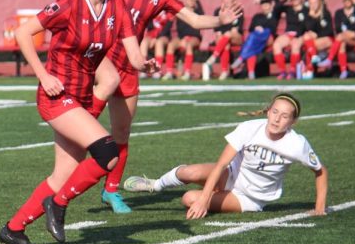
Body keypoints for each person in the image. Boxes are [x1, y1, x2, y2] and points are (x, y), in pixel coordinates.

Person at [23, 0, 243, 214]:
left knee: (123, 133)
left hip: (132, 62)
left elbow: (192, 18)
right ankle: (79, 127)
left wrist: (220, 20)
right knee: (106, 85)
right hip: (100, 56)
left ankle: (111, 190)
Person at [0, 0, 156, 244]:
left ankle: (13, 229)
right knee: (108, 152)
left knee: (63, 174)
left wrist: (145, 64)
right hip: (56, 96)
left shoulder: (118, 8)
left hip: (81, 97)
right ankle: (57, 206)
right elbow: (23, 33)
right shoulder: (68, 4)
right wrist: (43, 75)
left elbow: (134, 56)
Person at [124, 93, 327, 218]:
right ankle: (155, 185)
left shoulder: (296, 143)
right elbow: (221, 164)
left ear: (293, 122)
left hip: (249, 198)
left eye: (284, 116)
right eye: (275, 112)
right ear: (268, 112)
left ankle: (215, 197)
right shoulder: (249, 128)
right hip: (231, 175)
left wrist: (319, 208)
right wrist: (205, 199)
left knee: (188, 198)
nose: (277, 119)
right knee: (189, 172)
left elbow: (320, 171)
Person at [228, 0, 280, 80]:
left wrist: (261, 0)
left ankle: (241, 58)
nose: (264, 7)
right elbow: (251, 28)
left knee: (253, 39)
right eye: (263, 5)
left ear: (271, 5)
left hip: (267, 37)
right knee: (252, 44)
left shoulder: (275, 15)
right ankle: (251, 74)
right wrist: (257, 27)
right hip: (256, 39)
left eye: (266, 5)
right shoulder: (257, 16)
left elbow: (278, 2)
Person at [201, 0, 245, 80]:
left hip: (236, 38)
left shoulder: (237, 10)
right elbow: (217, 31)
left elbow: (237, 30)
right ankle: (224, 72)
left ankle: (213, 57)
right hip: (224, 39)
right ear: (222, 0)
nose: (227, 1)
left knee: (228, 34)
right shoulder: (218, 11)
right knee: (225, 44)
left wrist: (228, 33)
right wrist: (220, 35)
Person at [162, 0, 204, 81]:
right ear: (185, 0)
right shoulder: (181, 11)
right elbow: (171, 22)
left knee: (189, 45)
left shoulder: (198, 11)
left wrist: (197, 1)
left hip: (194, 38)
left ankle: (187, 72)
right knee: (171, 45)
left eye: (194, 0)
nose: (192, 1)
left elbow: (202, 17)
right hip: (181, 38)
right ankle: (169, 72)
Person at [327, 0, 355, 79]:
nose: (347, 2)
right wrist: (347, 33)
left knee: (341, 37)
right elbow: (337, 28)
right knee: (342, 42)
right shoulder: (339, 13)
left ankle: (329, 59)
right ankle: (344, 71)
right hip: (344, 39)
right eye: (345, 0)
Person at [272, 0, 308, 80]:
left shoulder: (306, 10)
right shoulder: (288, 9)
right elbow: (276, 7)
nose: (294, 0)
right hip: (288, 34)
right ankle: (283, 71)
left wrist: (298, 36)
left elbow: (307, 25)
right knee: (276, 44)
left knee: (295, 45)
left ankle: (292, 71)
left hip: (301, 35)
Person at [300, 0, 334, 79]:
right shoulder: (309, 15)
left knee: (309, 44)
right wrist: (311, 17)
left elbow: (329, 30)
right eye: (311, 3)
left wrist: (317, 35)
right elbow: (307, 29)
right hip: (314, 42)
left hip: (327, 40)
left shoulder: (325, 14)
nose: (313, 5)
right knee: (307, 37)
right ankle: (313, 58)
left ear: (319, 2)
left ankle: (309, 70)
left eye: (315, 3)